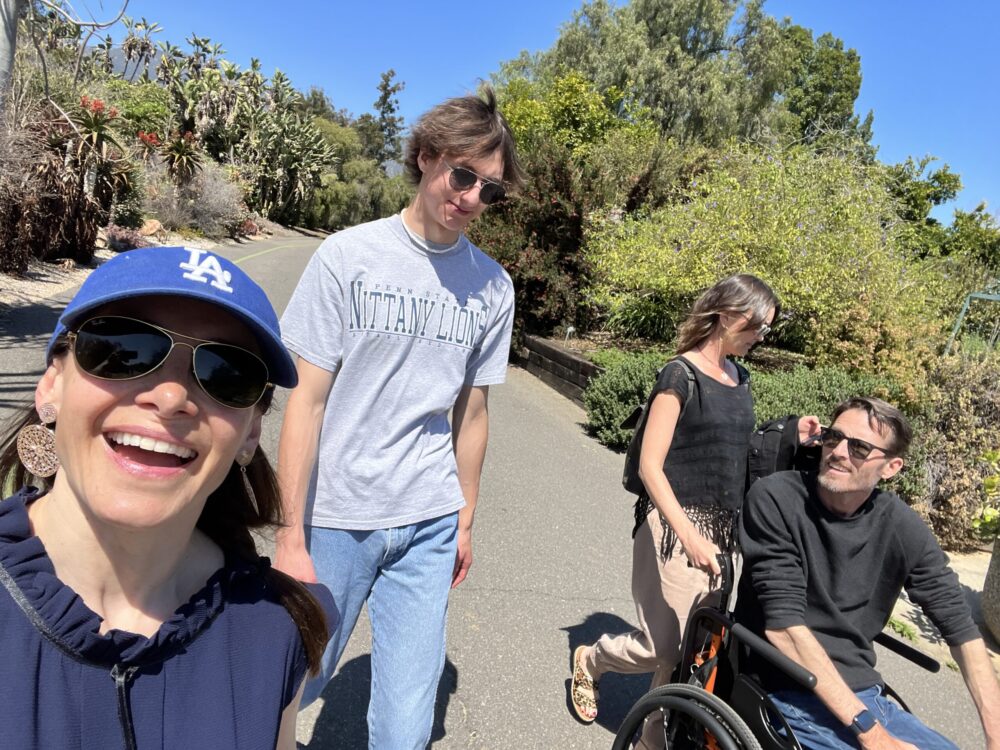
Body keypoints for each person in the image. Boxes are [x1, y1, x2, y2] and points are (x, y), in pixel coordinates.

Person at [0, 246, 337, 750]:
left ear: (250, 433)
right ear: (52, 386)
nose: (171, 397)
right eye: (122, 348)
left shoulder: (276, 632)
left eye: (227, 373)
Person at [274, 86, 523, 749]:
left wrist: (465, 517)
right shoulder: (348, 257)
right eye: (463, 175)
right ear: (425, 156)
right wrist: (290, 532)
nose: (471, 197)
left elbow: (473, 412)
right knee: (295, 681)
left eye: (489, 191)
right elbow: (307, 399)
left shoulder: (492, 288)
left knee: (407, 726)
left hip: (430, 518)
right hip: (338, 517)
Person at [571, 274, 786, 748]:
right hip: (673, 525)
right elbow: (650, 466)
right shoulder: (680, 374)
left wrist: (792, 437)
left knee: (689, 652)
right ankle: (593, 659)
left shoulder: (740, 376)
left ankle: (652, 739)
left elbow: (732, 449)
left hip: (722, 533)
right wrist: (687, 533)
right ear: (729, 315)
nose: (761, 338)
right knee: (662, 644)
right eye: (758, 327)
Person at [736, 396, 1000, 749]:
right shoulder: (776, 499)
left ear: (891, 467)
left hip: (863, 697)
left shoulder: (900, 525)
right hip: (785, 691)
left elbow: (962, 631)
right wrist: (874, 736)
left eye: (859, 447)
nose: (838, 452)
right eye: (833, 438)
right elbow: (785, 629)